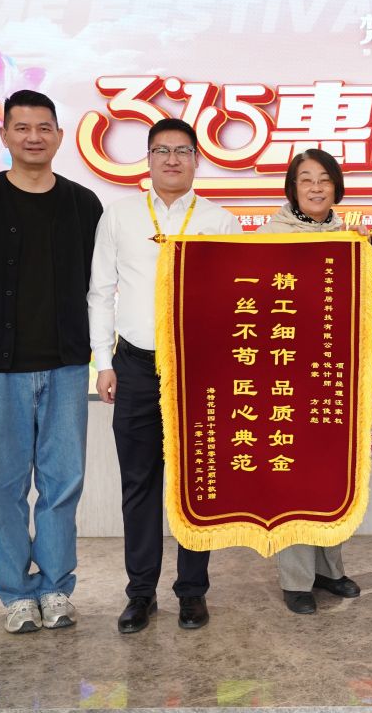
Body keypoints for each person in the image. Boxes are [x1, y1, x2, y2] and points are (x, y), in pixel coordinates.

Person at [0, 90, 103, 634]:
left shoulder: (84, 205)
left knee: (62, 482)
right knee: (4, 485)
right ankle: (15, 592)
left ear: (59, 135)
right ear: (5, 134)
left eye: (44, 127)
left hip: (65, 367)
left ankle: (55, 588)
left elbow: (96, 283)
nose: (34, 136)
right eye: (22, 127)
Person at [88, 117, 242, 633]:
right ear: (149, 158)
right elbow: (100, 292)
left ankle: (192, 593)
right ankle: (140, 594)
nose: (172, 159)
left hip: (201, 368)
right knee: (139, 482)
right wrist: (103, 362)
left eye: (182, 151)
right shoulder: (120, 215)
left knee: (197, 481)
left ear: (198, 159)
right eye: (161, 150)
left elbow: (237, 302)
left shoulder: (221, 221)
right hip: (135, 365)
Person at [256, 148, 362, 614]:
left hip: (334, 377)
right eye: (306, 179)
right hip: (284, 376)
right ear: (292, 188)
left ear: (336, 186)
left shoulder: (351, 239)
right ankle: (295, 579)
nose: (316, 187)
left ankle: (329, 570)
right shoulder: (269, 237)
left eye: (324, 178)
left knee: (330, 477)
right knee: (290, 478)